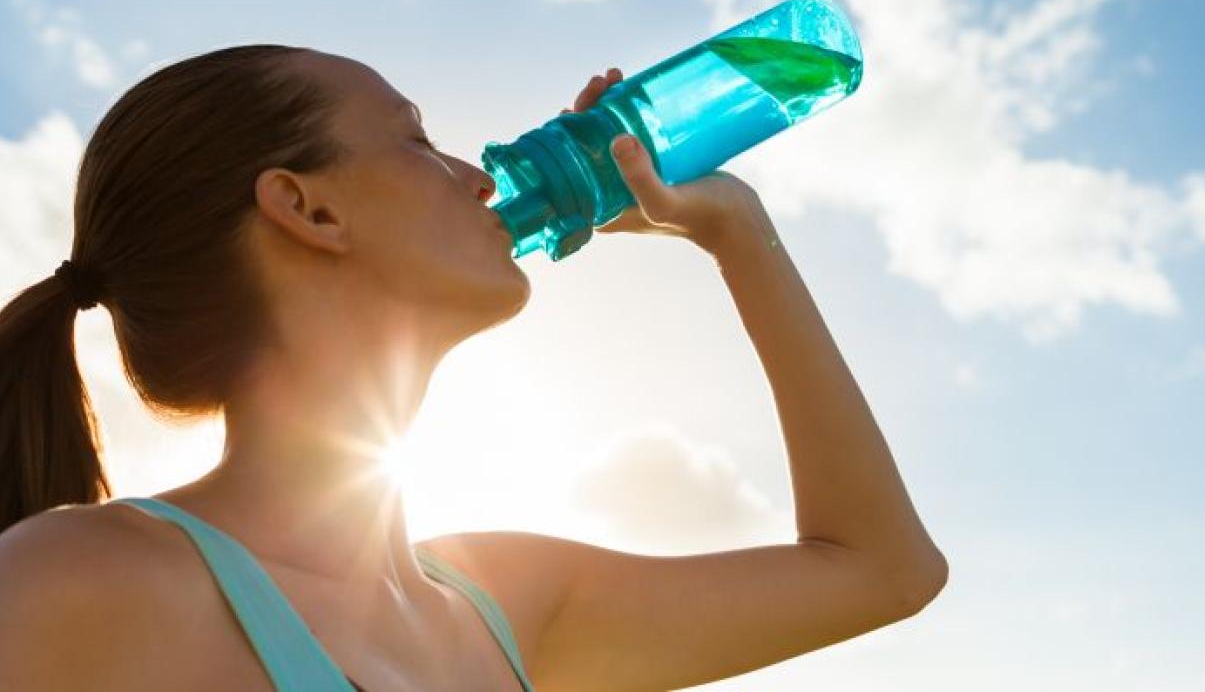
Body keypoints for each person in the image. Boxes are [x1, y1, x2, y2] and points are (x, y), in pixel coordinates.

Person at [0, 45, 947, 691]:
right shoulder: (80, 580)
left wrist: (736, 231)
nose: (481, 174)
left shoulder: (504, 603)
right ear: (307, 209)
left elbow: (884, 571)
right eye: (416, 140)